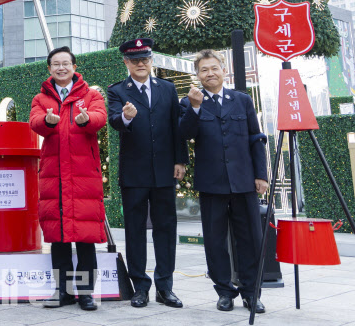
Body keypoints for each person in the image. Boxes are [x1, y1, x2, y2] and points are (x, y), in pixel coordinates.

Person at [179, 49, 268, 314]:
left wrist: (261, 175)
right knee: (215, 242)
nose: (210, 74)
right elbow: (184, 134)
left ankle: (252, 293)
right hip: (212, 183)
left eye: (214, 68)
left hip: (243, 182)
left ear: (223, 70)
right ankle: (224, 292)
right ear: (197, 75)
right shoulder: (190, 102)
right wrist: (194, 108)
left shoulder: (241, 100)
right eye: (203, 70)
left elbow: (256, 138)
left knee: (250, 239)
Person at [107, 38, 188, 309]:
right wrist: (127, 117)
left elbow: (177, 128)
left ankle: (165, 287)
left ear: (151, 60)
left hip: (165, 171)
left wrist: (181, 160)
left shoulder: (167, 88)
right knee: (135, 231)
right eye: (135, 60)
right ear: (126, 63)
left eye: (145, 58)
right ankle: (140, 286)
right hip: (134, 173)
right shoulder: (118, 90)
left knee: (166, 229)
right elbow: (115, 121)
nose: (141, 64)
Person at [29, 46, 107, 311]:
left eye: (66, 63)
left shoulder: (91, 95)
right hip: (55, 178)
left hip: (84, 178)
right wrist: (49, 122)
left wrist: (86, 120)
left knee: (84, 238)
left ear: (74, 66)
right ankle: (61, 291)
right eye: (56, 64)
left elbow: (99, 118)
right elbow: (35, 122)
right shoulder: (41, 98)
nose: (61, 68)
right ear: (49, 68)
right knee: (59, 238)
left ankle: (85, 293)